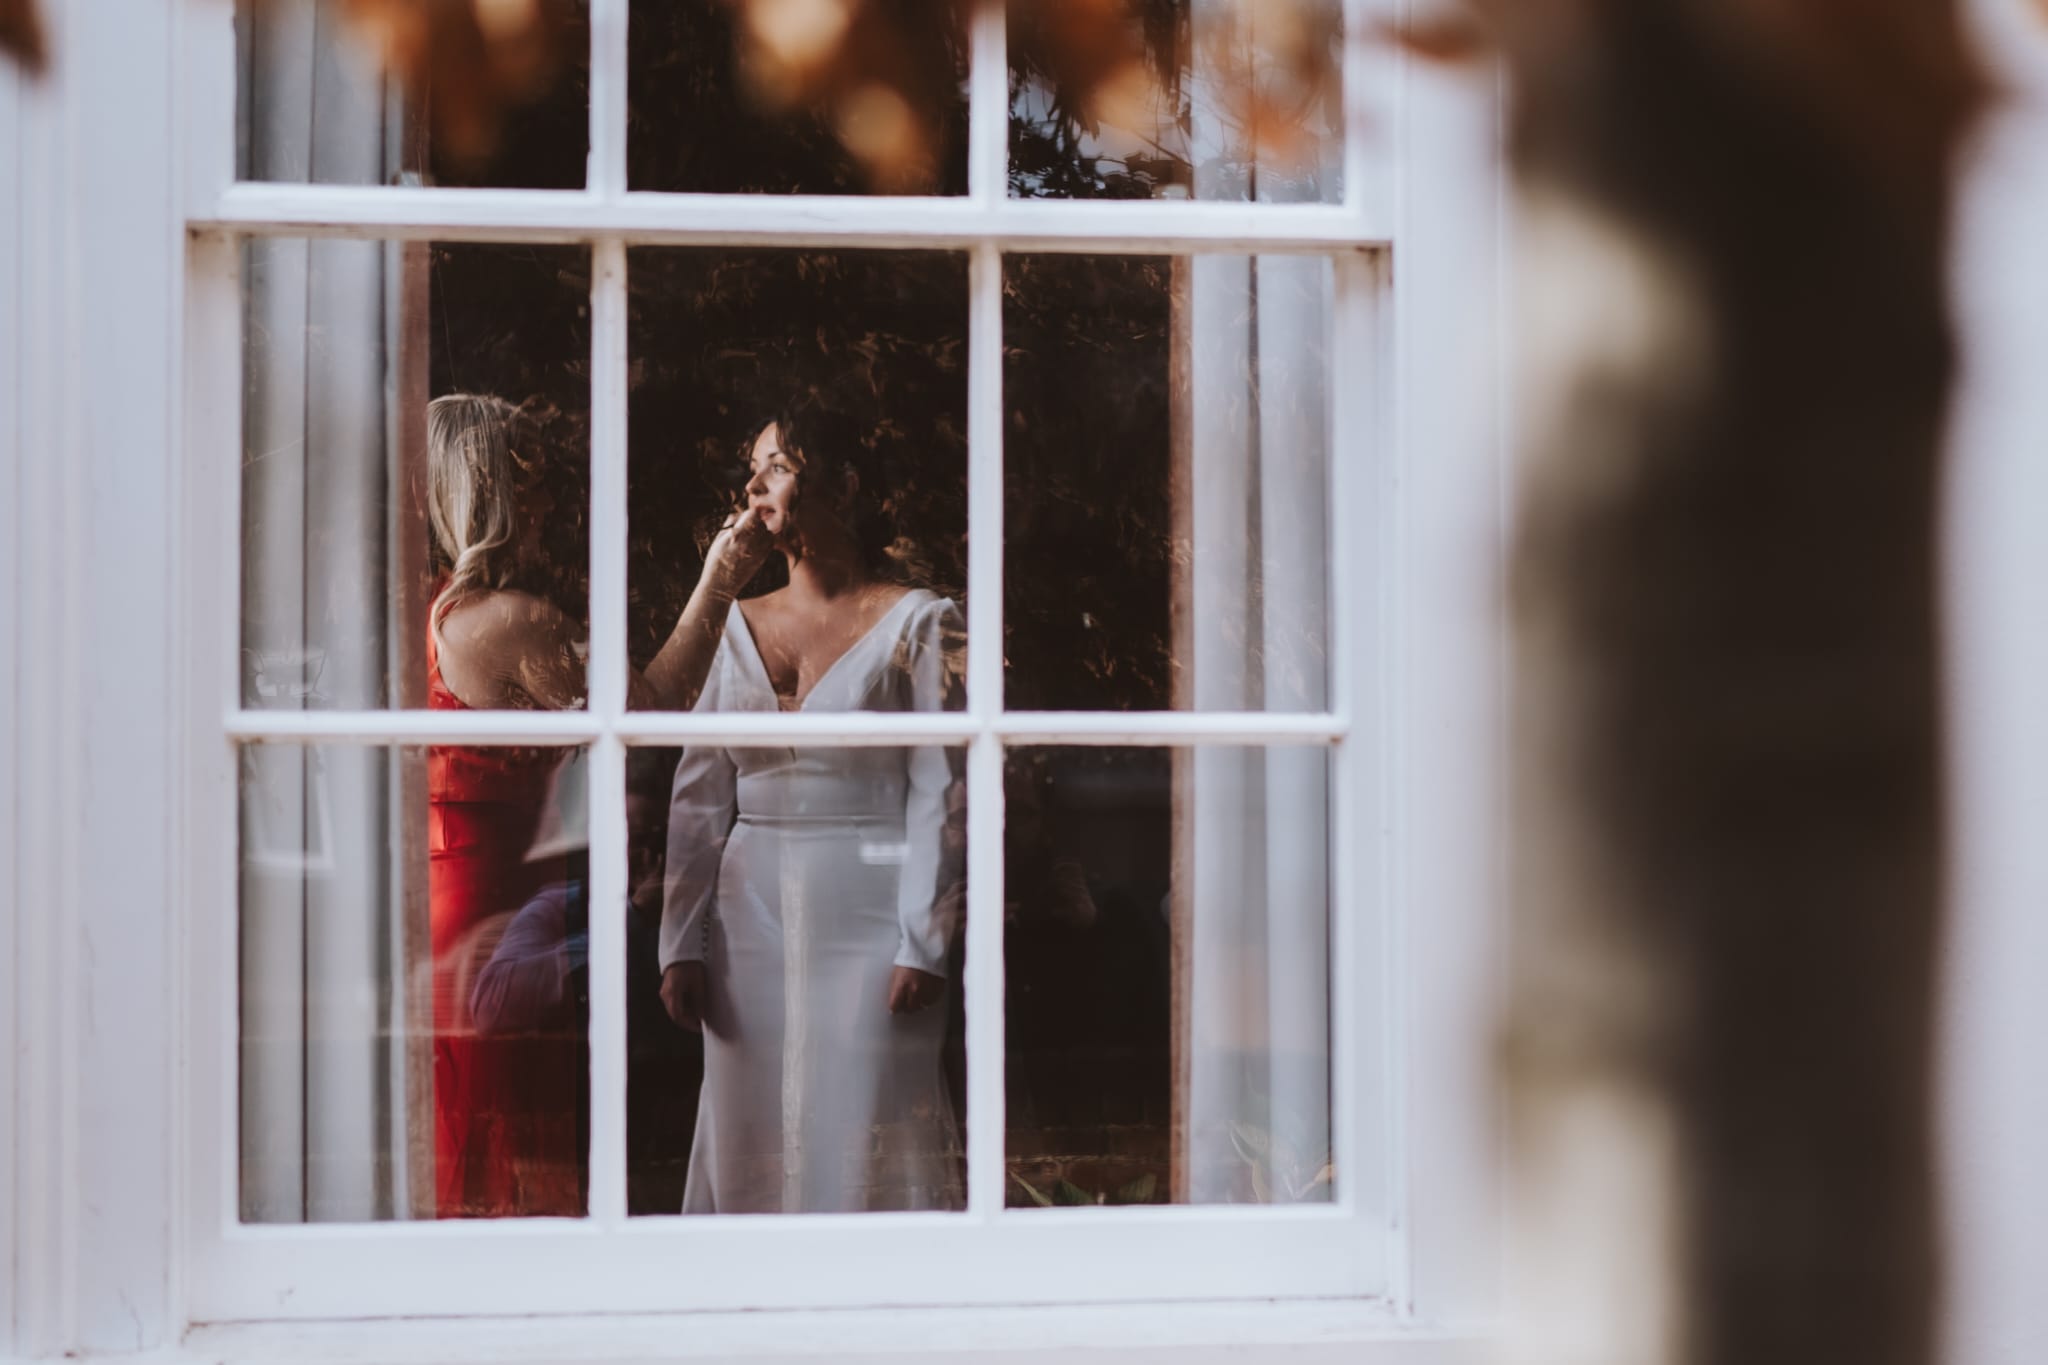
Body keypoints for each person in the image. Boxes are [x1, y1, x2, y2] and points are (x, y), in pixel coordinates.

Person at [425, 392, 769, 1217]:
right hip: (499, 911)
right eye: (533, 480)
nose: (551, 502)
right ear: (495, 493)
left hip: (462, 901)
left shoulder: (439, 611)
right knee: (510, 1130)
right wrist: (720, 579)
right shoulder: (508, 622)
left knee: (474, 1127)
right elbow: (645, 712)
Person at [659, 398, 967, 1213]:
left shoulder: (921, 620)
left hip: (872, 910)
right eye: (752, 470)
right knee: (748, 1121)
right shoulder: (732, 623)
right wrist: (680, 941)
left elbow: (943, 788)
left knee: (870, 1110)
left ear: (845, 483)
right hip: (746, 918)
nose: (754, 486)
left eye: (779, 466)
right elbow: (698, 790)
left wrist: (924, 941)